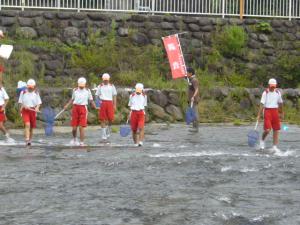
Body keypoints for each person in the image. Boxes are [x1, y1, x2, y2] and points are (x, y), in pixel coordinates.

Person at [64, 77, 97, 146]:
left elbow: (91, 100)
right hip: (75, 108)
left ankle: (82, 142)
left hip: (83, 108)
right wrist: (67, 105)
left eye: (82, 85)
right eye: (80, 86)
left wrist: (95, 107)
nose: (81, 87)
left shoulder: (88, 91)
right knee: (74, 128)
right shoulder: (75, 90)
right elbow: (72, 99)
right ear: (78, 84)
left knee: (81, 127)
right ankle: (74, 139)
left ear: (85, 84)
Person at [257, 78, 284, 151]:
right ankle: (262, 141)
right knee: (267, 130)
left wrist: (281, 113)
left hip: (275, 111)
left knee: (276, 130)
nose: (272, 87)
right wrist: (259, 115)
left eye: (274, 86)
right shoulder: (265, 92)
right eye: (271, 86)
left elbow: (280, 103)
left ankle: (274, 146)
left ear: (275, 85)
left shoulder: (278, 93)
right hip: (267, 111)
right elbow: (262, 104)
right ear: (269, 85)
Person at [18, 79, 42, 146]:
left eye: (32, 88)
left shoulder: (36, 93)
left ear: (34, 87)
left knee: (31, 127)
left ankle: (30, 140)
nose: (30, 89)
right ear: (27, 86)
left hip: (33, 111)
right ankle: (27, 140)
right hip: (25, 111)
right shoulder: (23, 92)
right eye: (29, 87)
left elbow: (39, 103)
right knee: (27, 124)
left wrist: (37, 108)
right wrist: (24, 106)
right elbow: (20, 102)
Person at [95, 73, 117, 140]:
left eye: (107, 80)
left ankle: (108, 130)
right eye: (104, 80)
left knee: (111, 119)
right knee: (102, 119)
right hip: (103, 102)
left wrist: (114, 105)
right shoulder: (100, 86)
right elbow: (96, 95)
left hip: (110, 102)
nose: (105, 81)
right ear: (103, 79)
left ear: (109, 79)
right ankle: (103, 134)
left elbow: (114, 95)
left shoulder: (112, 86)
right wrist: (98, 104)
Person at [186, 67, 200, 132]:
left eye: (187, 72)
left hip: (193, 100)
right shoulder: (190, 79)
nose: (186, 73)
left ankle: (196, 129)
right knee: (192, 114)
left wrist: (193, 97)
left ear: (191, 73)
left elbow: (197, 89)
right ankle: (194, 128)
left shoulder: (194, 80)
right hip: (190, 100)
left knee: (195, 114)